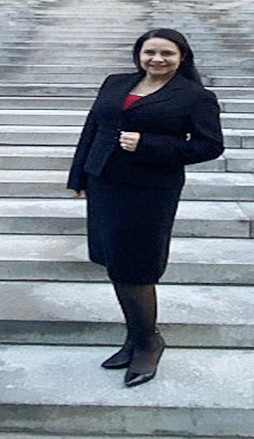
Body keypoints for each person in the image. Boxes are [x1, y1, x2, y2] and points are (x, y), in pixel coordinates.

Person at [67, 28, 224, 388]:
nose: (157, 59)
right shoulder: (116, 82)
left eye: (166, 53)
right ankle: (135, 336)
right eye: (150, 52)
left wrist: (149, 144)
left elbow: (210, 146)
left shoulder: (195, 97)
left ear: (182, 57)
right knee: (114, 262)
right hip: (105, 182)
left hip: (149, 190)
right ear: (139, 54)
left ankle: (149, 341)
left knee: (135, 268)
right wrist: (78, 176)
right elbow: (92, 127)